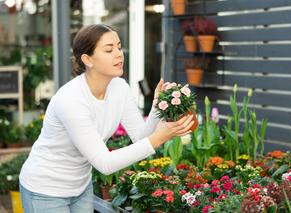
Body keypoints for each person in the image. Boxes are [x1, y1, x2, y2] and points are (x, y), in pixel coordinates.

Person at [19, 24, 194, 213]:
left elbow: (140, 137)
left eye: (119, 47)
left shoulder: (119, 87)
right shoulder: (70, 99)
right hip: (45, 190)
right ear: (87, 59)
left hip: (80, 187)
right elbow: (105, 163)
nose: (119, 54)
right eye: (109, 50)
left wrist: (157, 107)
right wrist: (160, 137)